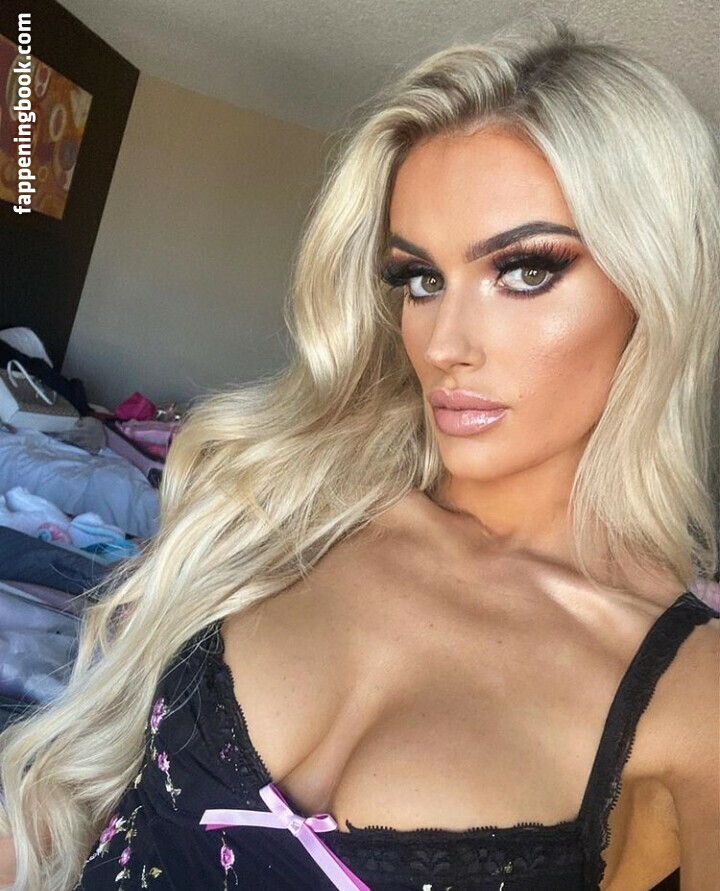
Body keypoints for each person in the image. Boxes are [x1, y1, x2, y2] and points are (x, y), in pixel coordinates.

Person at [0, 19, 718, 891]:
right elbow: (83, 791)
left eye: (525, 271)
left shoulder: (691, 691)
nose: (445, 343)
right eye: (421, 278)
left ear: (655, 286)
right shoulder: (298, 503)